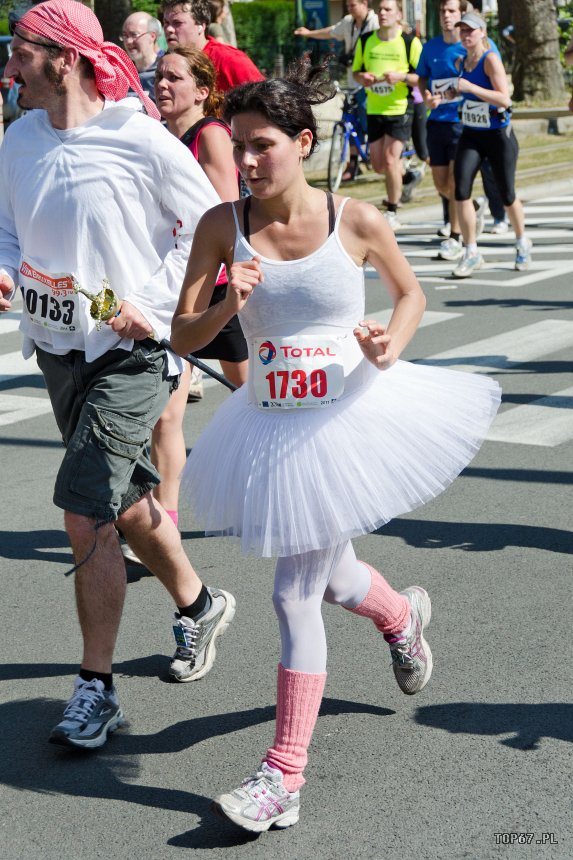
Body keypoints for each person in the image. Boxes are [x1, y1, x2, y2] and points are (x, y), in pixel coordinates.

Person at [170, 59, 501, 832]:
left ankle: (283, 774)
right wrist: (225, 300)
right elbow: (181, 332)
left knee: (292, 592)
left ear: (302, 142)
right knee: (330, 575)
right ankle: (399, 617)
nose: (247, 162)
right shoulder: (223, 226)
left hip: (349, 419)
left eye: (262, 147)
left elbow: (409, 293)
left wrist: (388, 345)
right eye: (239, 148)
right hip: (271, 422)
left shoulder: (352, 218)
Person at [0, 0, 236, 749]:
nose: (9, 68)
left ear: (65, 58)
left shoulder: (138, 139)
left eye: (21, 53)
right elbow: (8, 230)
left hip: (132, 348)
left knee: (86, 508)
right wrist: (5, 271)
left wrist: (151, 302)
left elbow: (211, 230)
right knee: (127, 502)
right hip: (57, 344)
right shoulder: (19, 139)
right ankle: (199, 606)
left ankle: (95, 687)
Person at [149, 46, 247, 528]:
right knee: (166, 416)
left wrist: (233, 292)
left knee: (258, 400)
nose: (162, 84)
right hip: (176, 291)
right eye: (158, 75)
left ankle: (282, 485)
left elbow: (226, 211)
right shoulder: (157, 136)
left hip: (218, 289)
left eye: (174, 78)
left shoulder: (209, 135)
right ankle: (165, 523)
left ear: (203, 91)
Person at [417, 0, 506, 263]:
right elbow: (423, 76)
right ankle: (472, 206)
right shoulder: (431, 46)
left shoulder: (476, 47)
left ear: (461, 15)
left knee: (457, 184)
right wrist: (426, 95)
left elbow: (497, 82)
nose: (446, 16)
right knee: (442, 185)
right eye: (443, 11)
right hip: (437, 121)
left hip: (463, 122)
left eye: (451, 11)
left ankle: (455, 237)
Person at [446, 12, 532, 277]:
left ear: (483, 32)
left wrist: (471, 88)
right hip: (472, 134)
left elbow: (504, 99)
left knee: (507, 193)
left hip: (498, 135)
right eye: (462, 30)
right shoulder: (462, 60)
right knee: (460, 189)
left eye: (471, 30)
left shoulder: (490, 59)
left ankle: (522, 242)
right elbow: (459, 91)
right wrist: (442, 96)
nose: (466, 35)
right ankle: (471, 251)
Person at [352, 0, 422, 230]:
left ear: (399, 14)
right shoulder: (366, 40)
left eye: (388, 9)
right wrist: (365, 79)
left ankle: (392, 210)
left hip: (401, 108)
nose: (382, 13)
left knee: (391, 161)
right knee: (379, 165)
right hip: (374, 108)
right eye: (380, 9)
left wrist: (401, 77)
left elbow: (422, 78)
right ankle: (408, 175)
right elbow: (356, 72)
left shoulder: (409, 42)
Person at [294, 0, 377, 181]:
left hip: (370, 82)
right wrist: (309, 33)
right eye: (348, 5)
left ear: (364, 3)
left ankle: (374, 152)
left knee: (366, 119)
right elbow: (331, 31)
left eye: (353, 5)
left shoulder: (375, 23)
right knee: (349, 119)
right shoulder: (348, 22)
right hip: (352, 80)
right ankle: (353, 164)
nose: (350, 8)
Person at [160, 0, 264, 92]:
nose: (169, 29)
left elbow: (265, 100)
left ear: (201, 25)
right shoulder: (165, 63)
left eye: (177, 23)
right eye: (166, 23)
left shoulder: (230, 60)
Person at [120, 11, 164, 101]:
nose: (128, 41)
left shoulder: (164, 72)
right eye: (125, 35)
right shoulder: (121, 74)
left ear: (152, 36)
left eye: (134, 35)